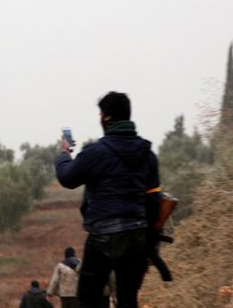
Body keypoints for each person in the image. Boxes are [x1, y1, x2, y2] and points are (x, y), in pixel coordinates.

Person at [55, 92, 161, 308]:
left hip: (103, 236)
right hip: (136, 236)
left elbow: (67, 178)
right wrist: (150, 241)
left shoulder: (95, 152)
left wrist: (64, 155)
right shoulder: (147, 154)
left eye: (101, 114)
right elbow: (154, 200)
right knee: (128, 299)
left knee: (87, 299)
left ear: (106, 118)